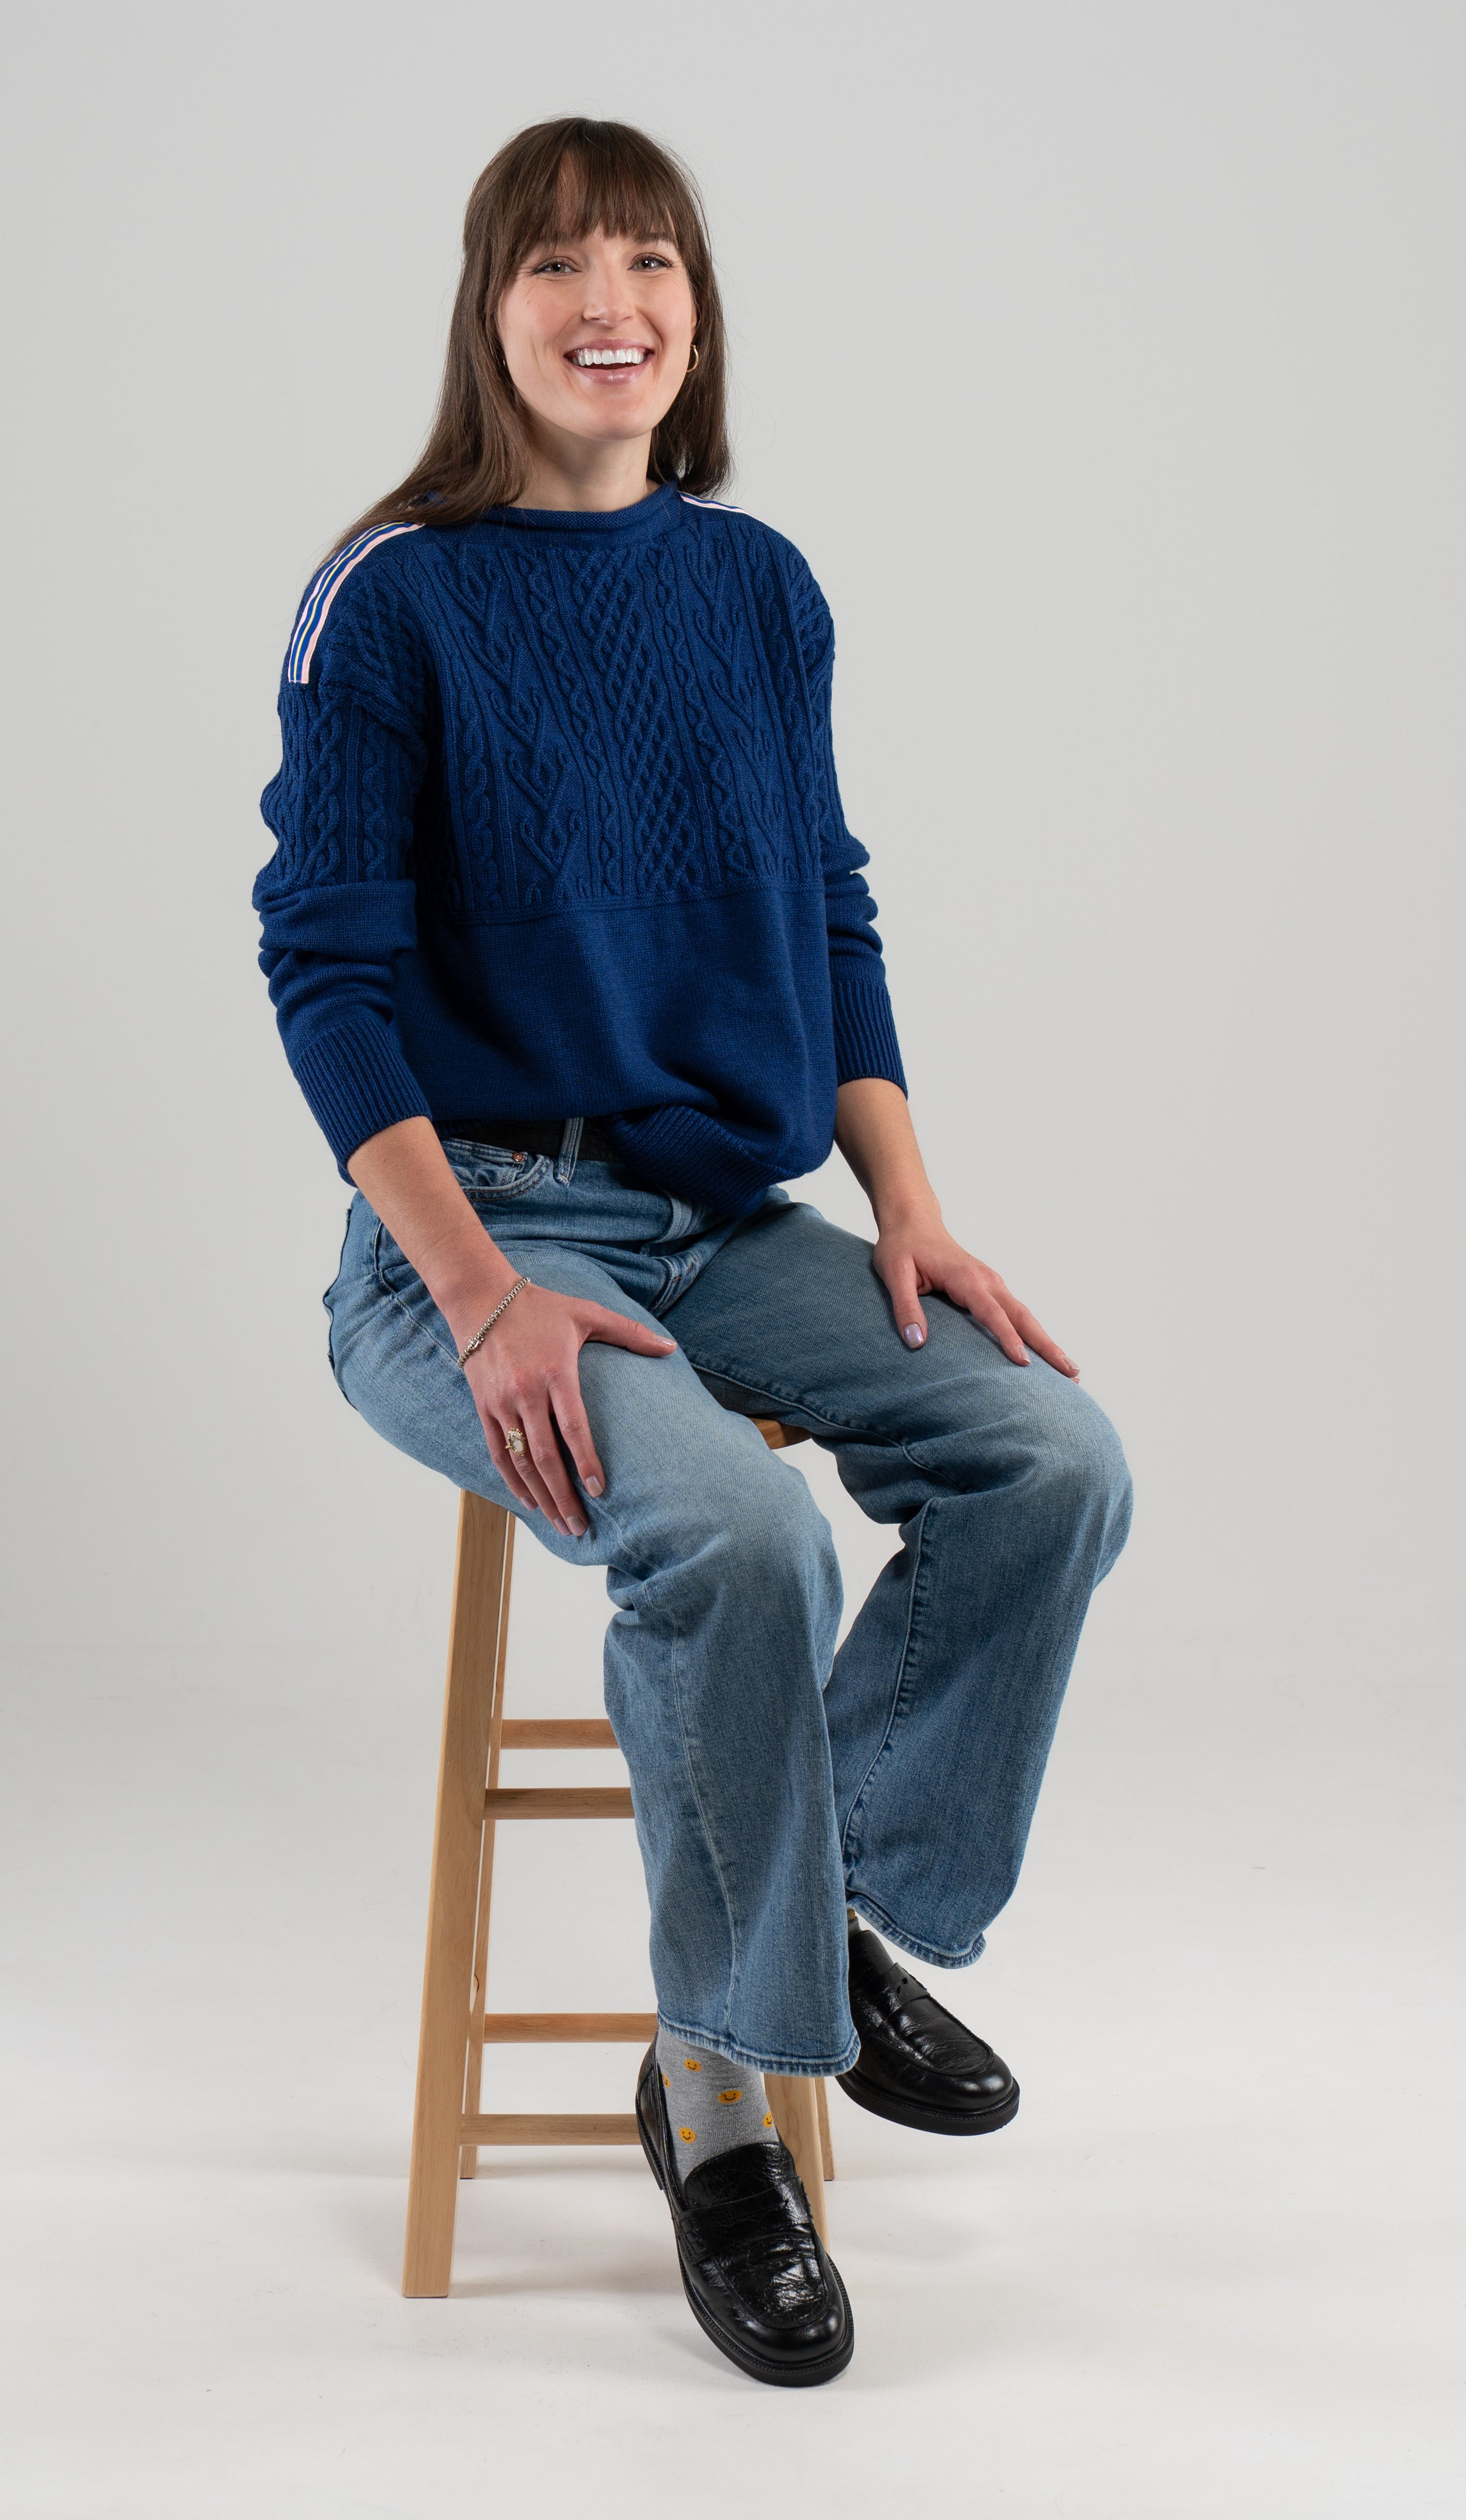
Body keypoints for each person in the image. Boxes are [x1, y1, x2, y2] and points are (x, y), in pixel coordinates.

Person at [253, 115, 1132, 2388]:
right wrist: (471, 1286)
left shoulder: (757, 591)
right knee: (737, 1534)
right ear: (491, 312)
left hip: (724, 1217)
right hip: (469, 1233)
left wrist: (911, 1210)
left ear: (695, 314)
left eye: (646, 259)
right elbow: (325, 974)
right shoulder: (395, 600)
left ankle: (803, 1936)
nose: (605, 300)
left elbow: (824, 913)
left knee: (1052, 1459)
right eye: (555, 265)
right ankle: (733, 2118)